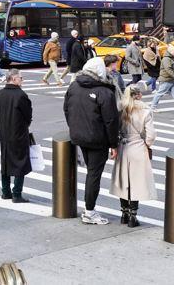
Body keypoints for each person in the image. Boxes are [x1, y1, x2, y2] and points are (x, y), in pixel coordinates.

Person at [64, 57, 120, 225]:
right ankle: (89, 211)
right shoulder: (105, 92)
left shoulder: (74, 86)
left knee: (91, 172)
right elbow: (111, 121)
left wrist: (74, 128)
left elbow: (67, 109)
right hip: (97, 139)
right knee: (94, 174)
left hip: (79, 136)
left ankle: (89, 209)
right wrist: (113, 144)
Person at [110, 85, 157, 228]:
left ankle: (124, 214)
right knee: (136, 183)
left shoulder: (120, 109)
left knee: (123, 181)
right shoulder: (145, 110)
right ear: (139, 95)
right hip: (138, 147)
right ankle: (132, 217)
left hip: (123, 146)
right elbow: (151, 135)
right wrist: (147, 144)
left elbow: (113, 128)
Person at [0, 69, 32, 203]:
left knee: (5, 161)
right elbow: (28, 114)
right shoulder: (21, 95)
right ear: (13, 79)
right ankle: (16, 193)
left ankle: (5, 192)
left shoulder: (1, 93)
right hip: (18, 132)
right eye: (21, 78)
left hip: (4, 132)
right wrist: (26, 124)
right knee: (20, 162)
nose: (22, 80)